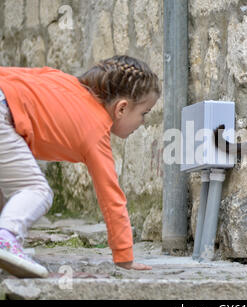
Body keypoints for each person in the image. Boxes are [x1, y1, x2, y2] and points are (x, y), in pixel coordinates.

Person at [0, 55, 160, 278]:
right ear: (121, 108)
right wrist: (125, 257)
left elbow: (18, 76)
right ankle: (6, 240)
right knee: (37, 191)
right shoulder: (95, 132)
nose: (144, 122)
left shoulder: (63, 80)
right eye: (144, 113)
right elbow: (111, 198)